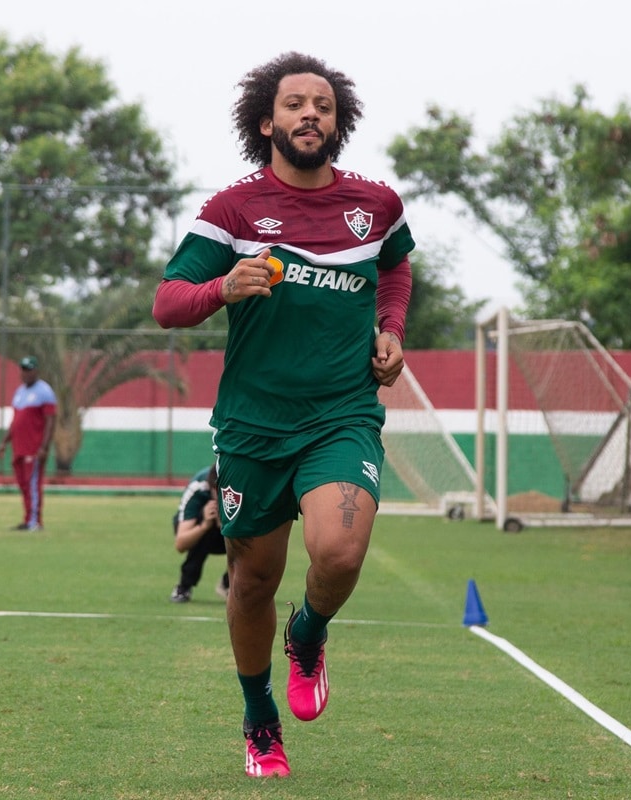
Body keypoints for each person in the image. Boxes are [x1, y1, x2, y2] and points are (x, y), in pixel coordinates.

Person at [152, 52, 414, 778]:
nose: (310, 115)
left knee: (339, 552)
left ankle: (310, 633)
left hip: (341, 415)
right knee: (253, 580)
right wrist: (221, 290)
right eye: (294, 104)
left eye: (323, 106)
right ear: (267, 121)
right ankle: (259, 718)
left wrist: (391, 329)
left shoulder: (375, 205)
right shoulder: (233, 211)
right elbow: (169, 300)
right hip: (253, 427)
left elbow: (394, 267)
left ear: (339, 121)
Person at [0, 356, 57, 531]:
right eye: (23, 369)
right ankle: (28, 518)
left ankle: (35, 521)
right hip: (19, 448)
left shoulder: (45, 391)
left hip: (34, 448)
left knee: (32, 485)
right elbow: (16, 422)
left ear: (36, 371)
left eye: (29, 369)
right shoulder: (20, 392)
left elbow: (50, 420)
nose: (25, 373)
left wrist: (44, 447)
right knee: (24, 485)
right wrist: (4, 442)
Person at [170, 463, 229, 603]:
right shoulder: (198, 488)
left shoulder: (243, 488)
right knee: (204, 522)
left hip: (230, 534)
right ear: (212, 488)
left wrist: (226, 524)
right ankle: (184, 587)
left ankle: (230, 583)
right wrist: (205, 525)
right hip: (203, 532)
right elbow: (180, 544)